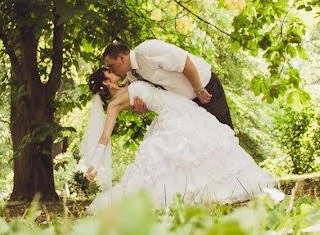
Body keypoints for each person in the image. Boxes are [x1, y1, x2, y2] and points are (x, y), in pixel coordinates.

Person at [81, 68, 281, 213]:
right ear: (107, 82)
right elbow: (105, 136)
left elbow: (146, 97)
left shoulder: (130, 81)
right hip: (170, 115)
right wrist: (94, 165)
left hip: (179, 107)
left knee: (202, 146)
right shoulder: (114, 105)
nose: (113, 71)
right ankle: (194, 194)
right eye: (109, 72)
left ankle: (223, 187)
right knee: (181, 154)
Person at [102, 40, 234, 129]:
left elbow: (185, 62)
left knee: (224, 132)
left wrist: (199, 89)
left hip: (206, 89)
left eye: (111, 66)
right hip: (188, 105)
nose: (111, 71)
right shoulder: (132, 76)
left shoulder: (148, 50)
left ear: (121, 58)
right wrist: (143, 109)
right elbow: (156, 96)